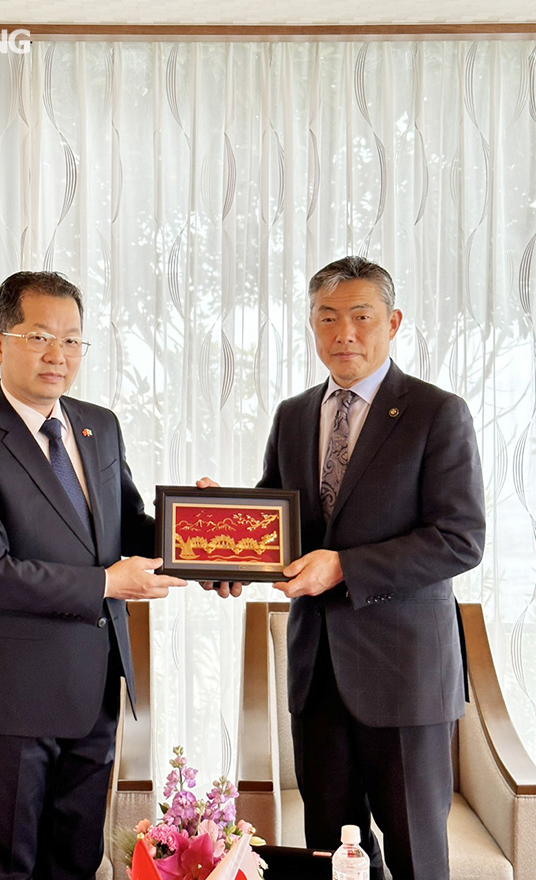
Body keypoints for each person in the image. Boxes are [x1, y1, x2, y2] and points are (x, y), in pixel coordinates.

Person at [199, 255, 485, 880]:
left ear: (393, 322)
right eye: (327, 318)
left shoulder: (437, 412)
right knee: (330, 851)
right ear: (311, 324)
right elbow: (281, 531)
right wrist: (224, 546)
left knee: (416, 854)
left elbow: (460, 540)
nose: (344, 333)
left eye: (361, 317)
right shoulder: (294, 414)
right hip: (317, 674)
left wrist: (344, 567)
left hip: (406, 676)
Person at [0, 271, 186, 880]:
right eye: (40, 336)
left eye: (73, 340)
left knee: (76, 860)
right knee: (6, 866)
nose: (59, 355)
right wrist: (108, 584)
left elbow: (127, 528)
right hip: (12, 697)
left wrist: (198, 533)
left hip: (94, 687)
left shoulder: (98, 425)